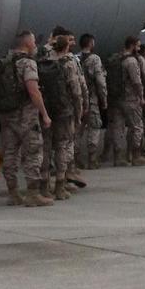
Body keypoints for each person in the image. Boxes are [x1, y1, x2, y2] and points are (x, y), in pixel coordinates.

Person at [0, 30, 54, 205]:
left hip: (7, 116)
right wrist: (44, 114)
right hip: (26, 117)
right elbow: (33, 91)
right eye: (34, 41)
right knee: (33, 152)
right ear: (27, 43)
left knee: (10, 154)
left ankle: (13, 193)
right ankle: (32, 194)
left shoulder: (3, 63)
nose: (35, 44)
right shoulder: (28, 63)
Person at [43, 28, 88, 198]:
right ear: (67, 46)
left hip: (48, 110)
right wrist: (79, 110)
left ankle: (44, 186)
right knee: (63, 146)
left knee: (46, 148)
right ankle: (60, 186)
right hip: (64, 110)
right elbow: (76, 91)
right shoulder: (69, 63)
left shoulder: (46, 61)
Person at [112, 36, 145, 165]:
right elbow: (137, 82)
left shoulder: (117, 58)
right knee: (137, 127)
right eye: (137, 46)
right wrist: (142, 97)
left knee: (118, 128)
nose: (138, 49)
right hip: (130, 99)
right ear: (132, 46)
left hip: (117, 98)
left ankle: (118, 157)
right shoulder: (131, 61)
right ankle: (136, 156)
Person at [78, 33, 107, 169]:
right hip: (91, 98)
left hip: (77, 99)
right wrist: (104, 98)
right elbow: (100, 81)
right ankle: (92, 158)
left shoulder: (75, 58)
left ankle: (74, 157)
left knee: (77, 129)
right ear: (91, 44)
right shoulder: (94, 59)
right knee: (94, 126)